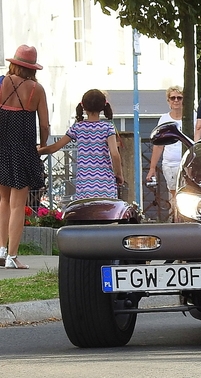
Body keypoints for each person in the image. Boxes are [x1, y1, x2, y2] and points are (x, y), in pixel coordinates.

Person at [0, 45, 50, 269]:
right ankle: (12, 256)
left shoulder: (2, 82)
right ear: (32, 68)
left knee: (2, 202)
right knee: (17, 205)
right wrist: (44, 143)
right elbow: (44, 124)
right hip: (22, 149)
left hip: (1, 147)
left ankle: (1, 251)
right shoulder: (36, 89)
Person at [39, 89, 123, 201]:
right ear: (103, 106)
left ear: (83, 106)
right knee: (107, 214)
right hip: (105, 183)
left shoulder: (77, 128)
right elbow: (114, 154)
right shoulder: (108, 128)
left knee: (86, 214)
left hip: (85, 183)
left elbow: (55, 147)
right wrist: (119, 174)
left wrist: (38, 151)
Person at [146, 85, 184, 212]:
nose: (176, 100)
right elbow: (158, 144)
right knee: (174, 196)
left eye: (179, 97)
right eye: (173, 98)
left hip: (187, 162)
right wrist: (152, 168)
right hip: (170, 163)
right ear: (168, 101)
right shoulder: (164, 119)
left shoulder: (193, 116)